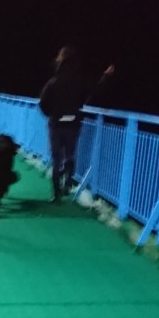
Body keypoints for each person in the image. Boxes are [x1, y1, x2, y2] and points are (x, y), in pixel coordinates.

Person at [39, 47, 115, 202]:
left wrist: (51, 114)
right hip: (73, 123)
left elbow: (42, 103)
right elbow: (96, 90)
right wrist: (106, 76)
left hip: (56, 123)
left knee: (56, 158)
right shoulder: (79, 80)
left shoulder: (53, 81)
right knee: (70, 154)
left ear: (60, 60)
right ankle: (68, 182)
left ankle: (56, 194)